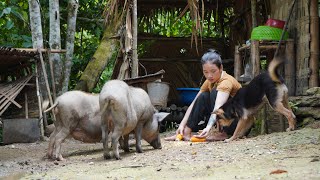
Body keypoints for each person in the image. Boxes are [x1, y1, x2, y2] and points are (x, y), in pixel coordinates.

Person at [164, 49, 242, 141]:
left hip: (237, 123)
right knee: (203, 96)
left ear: (221, 68)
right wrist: (182, 125)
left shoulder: (226, 81)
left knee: (213, 92)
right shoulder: (209, 81)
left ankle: (222, 133)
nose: (209, 75)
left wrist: (208, 127)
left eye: (213, 71)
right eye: (206, 72)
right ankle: (186, 132)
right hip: (226, 118)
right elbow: (194, 103)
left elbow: (218, 108)